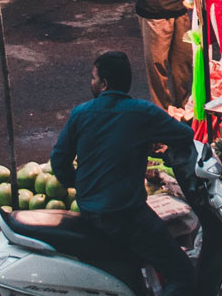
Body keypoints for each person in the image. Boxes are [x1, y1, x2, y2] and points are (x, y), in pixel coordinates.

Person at [51, 51, 196, 296]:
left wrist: (82, 185)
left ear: (105, 84)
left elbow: (59, 161)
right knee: (182, 273)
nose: (92, 82)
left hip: (89, 210)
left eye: (94, 78)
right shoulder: (142, 112)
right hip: (127, 215)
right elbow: (184, 134)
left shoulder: (81, 113)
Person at [137, 0, 194, 109]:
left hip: (180, 9)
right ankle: (162, 110)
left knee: (183, 63)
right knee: (157, 65)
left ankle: (183, 108)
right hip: (155, 11)